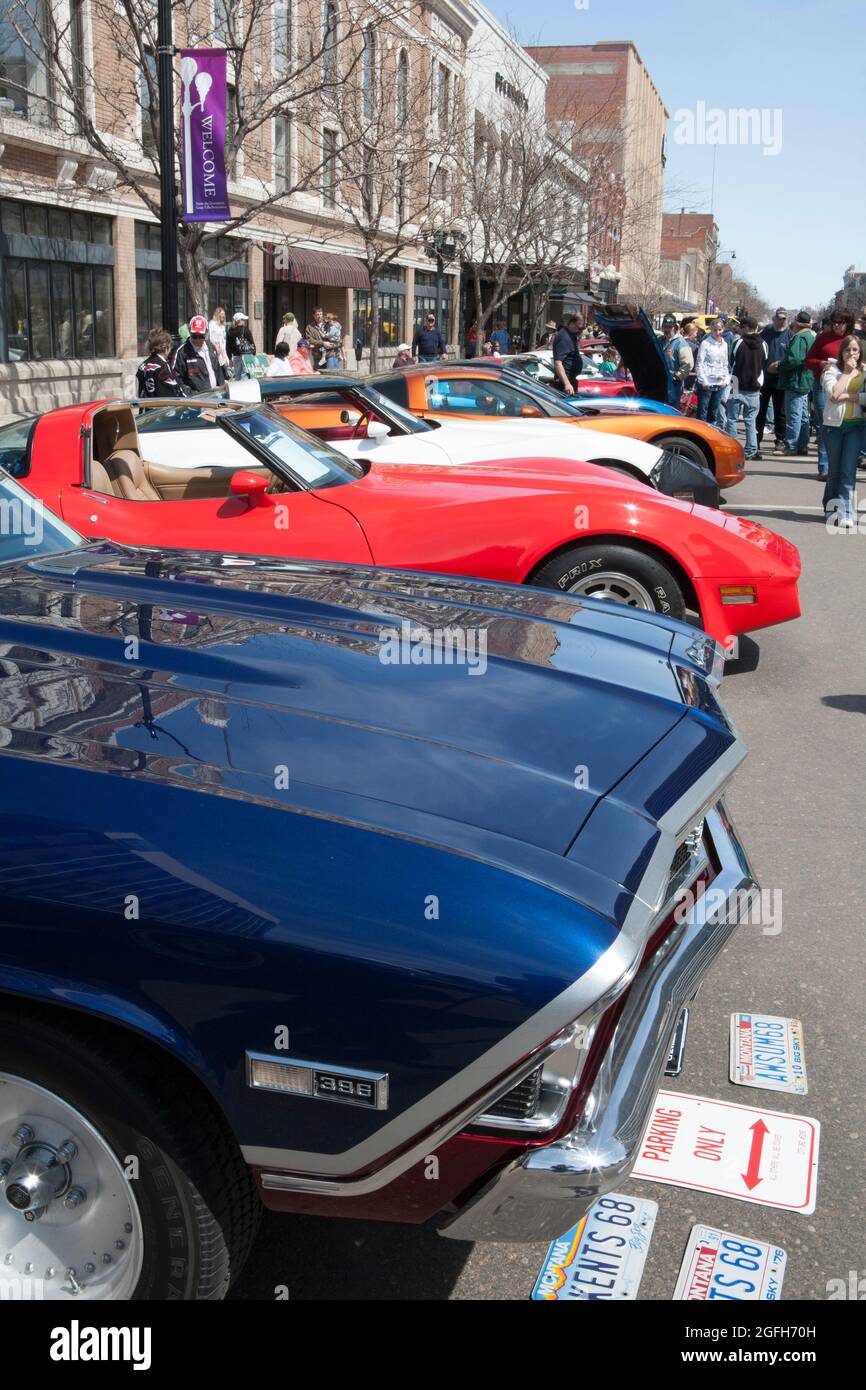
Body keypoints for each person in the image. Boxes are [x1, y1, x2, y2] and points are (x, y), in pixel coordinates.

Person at [821, 334, 864, 527]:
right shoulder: (832, 370)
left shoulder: (864, 371)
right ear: (842, 352)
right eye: (848, 349)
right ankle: (831, 508)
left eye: (855, 349)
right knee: (835, 470)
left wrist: (851, 395)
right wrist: (847, 373)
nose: (852, 353)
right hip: (833, 427)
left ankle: (846, 511)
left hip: (855, 426)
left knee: (848, 471)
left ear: (860, 352)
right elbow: (833, 395)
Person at [806, 310, 854, 480]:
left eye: (840, 322)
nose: (836, 326)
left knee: (846, 426)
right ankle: (825, 468)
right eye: (834, 322)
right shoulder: (822, 338)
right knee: (824, 425)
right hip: (822, 386)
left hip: (848, 388)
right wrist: (821, 363)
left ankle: (843, 466)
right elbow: (808, 360)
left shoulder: (852, 341)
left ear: (848, 324)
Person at [726, 316, 767, 462]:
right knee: (751, 419)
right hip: (755, 386)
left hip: (737, 383)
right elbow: (764, 363)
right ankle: (751, 449)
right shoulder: (763, 344)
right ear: (756, 328)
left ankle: (731, 447)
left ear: (744, 328)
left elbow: (731, 361)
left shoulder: (738, 342)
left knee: (731, 418)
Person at [777, 311, 816, 456]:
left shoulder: (800, 337)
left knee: (794, 415)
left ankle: (791, 446)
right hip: (805, 379)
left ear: (797, 323)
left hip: (796, 380)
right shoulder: (812, 336)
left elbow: (794, 359)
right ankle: (802, 445)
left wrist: (779, 366)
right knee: (803, 416)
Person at [756, 308, 792, 452]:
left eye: (784, 319)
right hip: (765, 378)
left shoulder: (791, 335)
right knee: (761, 410)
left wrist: (780, 366)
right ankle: (756, 440)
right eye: (779, 318)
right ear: (773, 318)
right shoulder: (766, 333)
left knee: (780, 412)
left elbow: (792, 358)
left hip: (781, 379)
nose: (781, 321)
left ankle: (780, 440)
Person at [172, 314, 226, 394]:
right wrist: (190, 393)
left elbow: (217, 370)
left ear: (206, 332)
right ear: (190, 331)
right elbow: (176, 378)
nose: (197, 339)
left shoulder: (209, 346)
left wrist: (222, 389)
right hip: (197, 400)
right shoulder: (182, 352)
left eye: (201, 336)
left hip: (215, 396)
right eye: (194, 336)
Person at [694, 315, 731, 422]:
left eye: (720, 329)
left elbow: (725, 363)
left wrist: (725, 380)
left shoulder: (724, 344)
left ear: (723, 329)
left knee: (713, 412)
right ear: (711, 330)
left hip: (719, 383)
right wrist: (704, 381)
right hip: (707, 383)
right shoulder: (706, 343)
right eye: (715, 330)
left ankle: (711, 435)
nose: (717, 332)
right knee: (702, 412)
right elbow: (699, 363)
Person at [136, 328, 187, 398]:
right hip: (161, 407)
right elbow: (174, 390)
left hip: (145, 406)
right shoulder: (163, 366)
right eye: (170, 346)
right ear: (166, 348)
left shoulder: (142, 366)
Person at [552, 316, 583, 395]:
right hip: (565, 382)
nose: (580, 330)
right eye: (579, 327)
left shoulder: (571, 336)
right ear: (572, 324)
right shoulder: (564, 337)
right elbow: (558, 363)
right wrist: (567, 384)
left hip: (571, 379)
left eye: (582, 328)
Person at [226, 311, 256, 380]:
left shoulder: (230, 331)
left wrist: (230, 358)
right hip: (247, 355)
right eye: (243, 320)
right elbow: (252, 343)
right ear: (239, 321)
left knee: (238, 376)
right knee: (246, 375)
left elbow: (228, 347)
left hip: (236, 357)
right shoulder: (245, 330)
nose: (244, 321)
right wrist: (254, 354)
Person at [209, 306, 230, 376]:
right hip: (215, 348)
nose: (223, 316)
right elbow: (210, 337)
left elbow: (223, 338)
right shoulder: (212, 324)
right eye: (222, 314)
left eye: (224, 314)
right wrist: (216, 347)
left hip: (222, 349)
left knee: (225, 366)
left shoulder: (223, 326)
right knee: (218, 366)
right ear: (218, 314)